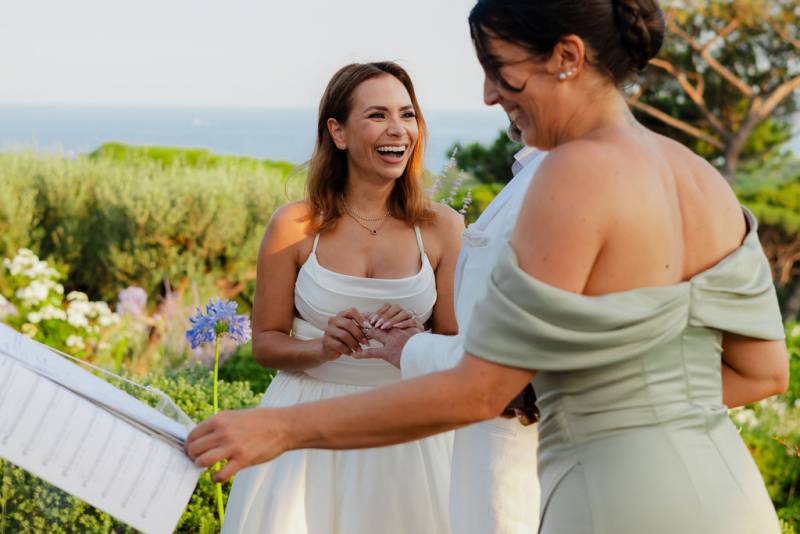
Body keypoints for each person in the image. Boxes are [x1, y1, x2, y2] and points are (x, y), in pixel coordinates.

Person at [187, 2, 791, 532]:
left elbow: (481, 392)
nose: (488, 95)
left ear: (567, 56)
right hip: (729, 498)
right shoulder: (700, 177)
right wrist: (605, 396)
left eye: (500, 70)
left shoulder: (570, 173)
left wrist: (283, 429)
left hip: (616, 501)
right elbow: (763, 373)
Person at [220, 61, 464, 534]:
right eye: (377, 115)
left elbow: (458, 350)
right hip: (304, 433)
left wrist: (415, 342)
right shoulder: (294, 225)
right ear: (338, 131)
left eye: (407, 114)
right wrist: (321, 347)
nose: (399, 130)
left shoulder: (444, 227)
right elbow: (266, 343)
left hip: (405, 432)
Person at [355, 130, 545, 534]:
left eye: (501, 72)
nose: (489, 95)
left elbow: (525, 362)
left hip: (516, 454)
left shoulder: (560, 179)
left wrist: (412, 347)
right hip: (475, 441)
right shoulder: (532, 173)